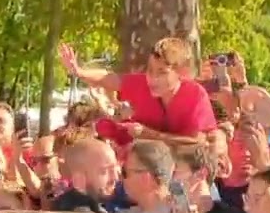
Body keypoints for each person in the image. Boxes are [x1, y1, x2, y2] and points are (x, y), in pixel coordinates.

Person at [59, 37, 216, 146]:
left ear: (182, 73)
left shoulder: (196, 95)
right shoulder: (141, 84)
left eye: (162, 72)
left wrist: (148, 134)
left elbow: (198, 142)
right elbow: (108, 78)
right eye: (150, 70)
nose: (152, 78)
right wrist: (79, 72)